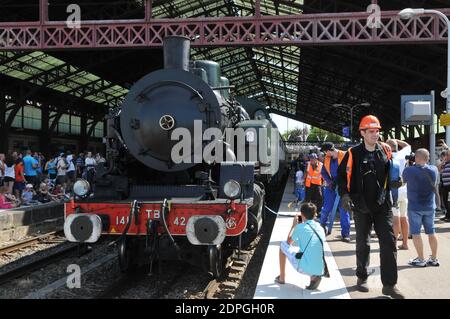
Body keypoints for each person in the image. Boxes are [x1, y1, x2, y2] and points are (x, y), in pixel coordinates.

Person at [337, 115, 405, 299]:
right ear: (362, 133)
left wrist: (395, 182)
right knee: (362, 243)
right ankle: (362, 277)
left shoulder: (385, 150)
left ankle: (389, 285)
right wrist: (344, 195)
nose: (376, 135)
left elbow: (390, 172)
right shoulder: (353, 153)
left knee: (389, 243)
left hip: (383, 205)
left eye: (377, 131)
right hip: (361, 206)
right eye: (371, 132)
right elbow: (341, 177)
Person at [275, 202, 327, 290]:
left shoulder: (300, 227)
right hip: (321, 267)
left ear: (302, 215)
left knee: (282, 245)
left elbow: (288, 242)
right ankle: (314, 277)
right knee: (311, 251)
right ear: (315, 214)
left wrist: (293, 226)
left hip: (304, 268)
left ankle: (282, 277)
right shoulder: (320, 227)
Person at [402, 148, 440, 267]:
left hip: (415, 207)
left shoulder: (408, 170)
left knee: (416, 233)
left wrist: (409, 165)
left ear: (416, 158)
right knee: (431, 232)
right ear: (428, 157)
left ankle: (421, 259)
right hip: (429, 206)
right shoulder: (434, 169)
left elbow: (402, 183)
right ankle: (434, 258)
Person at [320, 142, 350, 242]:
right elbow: (323, 172)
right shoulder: (327, 160)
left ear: (328, 151)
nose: (325, 154)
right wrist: (329, 182)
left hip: (343, 187)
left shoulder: (345, 156)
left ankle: (345, 234)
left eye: (325, 152)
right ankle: (322, 227)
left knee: (343, 210)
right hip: (331, 187)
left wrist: (342, 182)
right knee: (326, 208)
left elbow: (350, 171)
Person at [386, 138, 410, 250]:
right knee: (404, 218)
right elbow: (407, 145)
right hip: (404, 190)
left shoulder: (387, 157)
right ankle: (405, 243)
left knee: (395, 219)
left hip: (393, 192)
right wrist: (396, 140)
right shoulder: (403, 154)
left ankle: (393, 244)